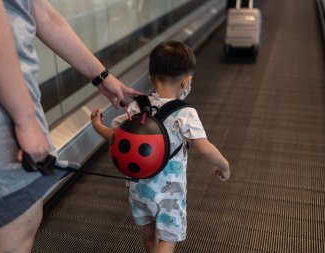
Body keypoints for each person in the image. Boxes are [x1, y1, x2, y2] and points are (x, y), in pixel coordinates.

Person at [0, 0, 141, 252]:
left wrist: (101, 76)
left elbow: (41, 12)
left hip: (4, 99)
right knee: (12, 229)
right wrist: (26, 121)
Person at [91, 40, 230, 253]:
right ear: (187, 82)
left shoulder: (139, 106)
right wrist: (224, 165)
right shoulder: (185, 114)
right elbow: (204, 147)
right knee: (167, 241)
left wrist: (97, 125)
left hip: (138, 188)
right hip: (169, 193)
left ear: (150, 78)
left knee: (148, 233)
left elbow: (115, 138)